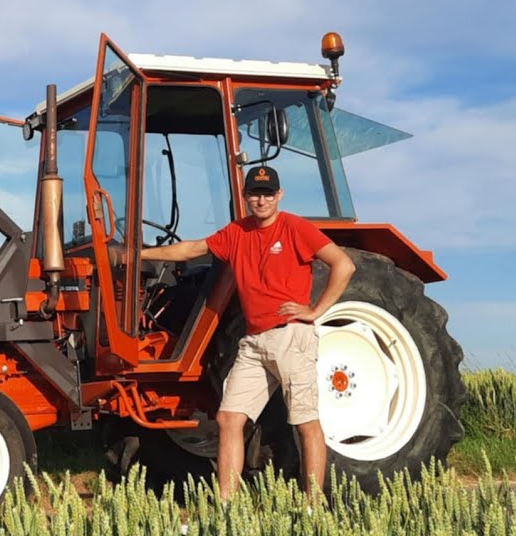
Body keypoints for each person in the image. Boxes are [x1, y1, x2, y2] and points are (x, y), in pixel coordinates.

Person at [119, 165, 355, 500]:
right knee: (229, 418)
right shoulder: (237, 232)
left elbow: (344, 264)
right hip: (253, 341)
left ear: (279, 195)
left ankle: (313, 506)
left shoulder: (295, 228)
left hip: (290, 337)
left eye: (268, 193)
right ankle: (228, 507)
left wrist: (315, 311)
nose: (262, 200)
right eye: (255, 194)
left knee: (305, 422)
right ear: (245, 197)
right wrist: (137, 254)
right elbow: (191, 250)